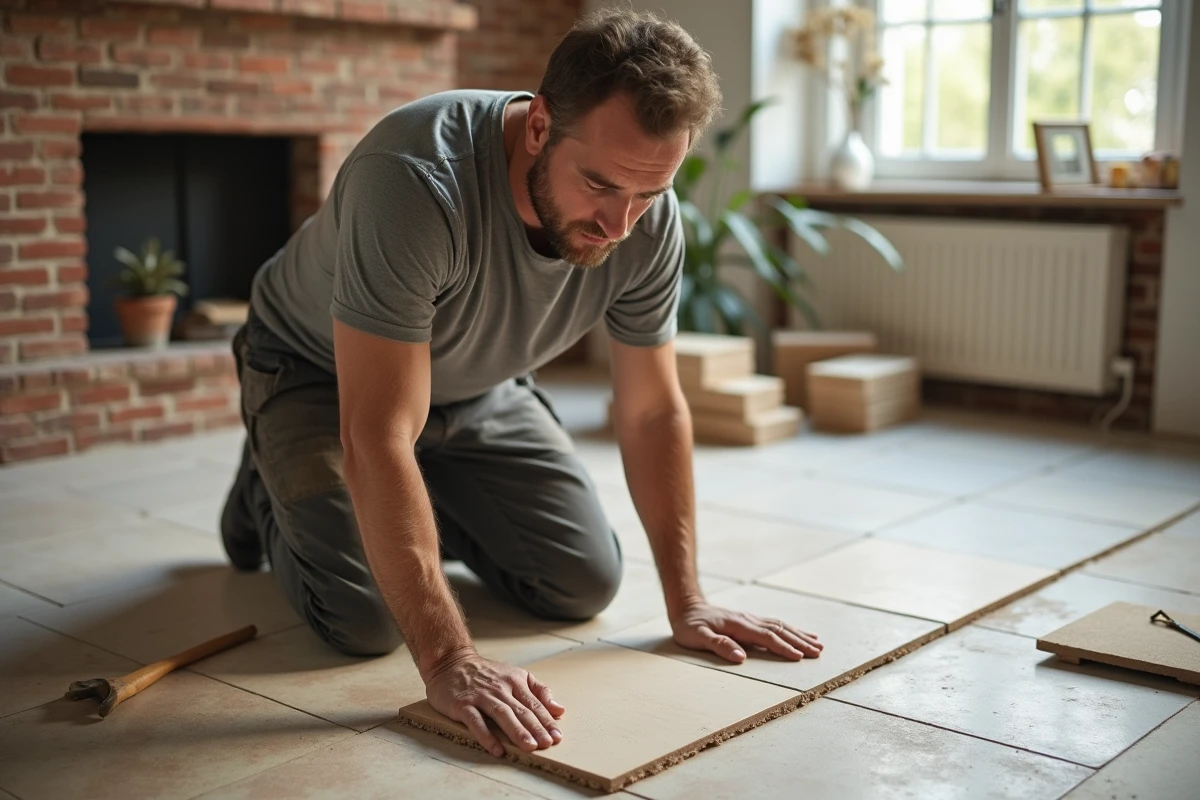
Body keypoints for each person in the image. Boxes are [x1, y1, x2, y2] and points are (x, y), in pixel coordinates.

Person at [220, 7, 822, 760]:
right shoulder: (412, 181)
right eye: (600, 184)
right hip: (319, 371)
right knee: (362, 620)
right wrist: (448, 661)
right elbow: (376, 433)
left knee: (580, 583)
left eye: (647, 194)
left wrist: (688, 600)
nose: (618, 224)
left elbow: (650, 412)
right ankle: (265, 481)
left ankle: (398, 493)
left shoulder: (645, 216)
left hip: (475, 382)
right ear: (538, 126)